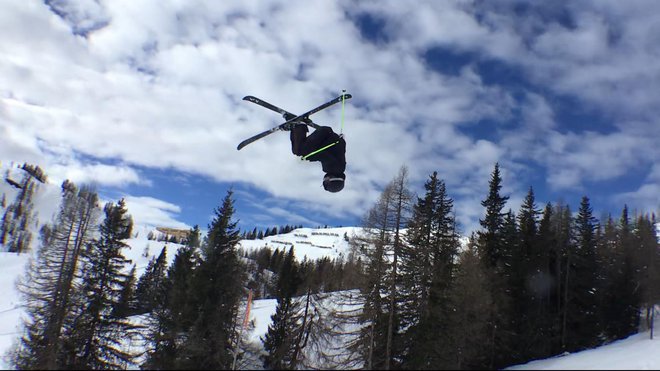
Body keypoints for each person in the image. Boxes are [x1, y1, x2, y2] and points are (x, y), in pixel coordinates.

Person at [288, 123, 346, 193]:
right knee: (299, 151)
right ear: (333, 179)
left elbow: (341, 150)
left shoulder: (340, 168)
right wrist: (308, 158)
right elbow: (323, 155)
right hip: (325, 135)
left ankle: (295, 127)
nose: (324, 179)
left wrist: (341, 139)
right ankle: (299, 125)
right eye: (326, 182)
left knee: (301, 151)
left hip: (326, 135)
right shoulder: (333, 169)